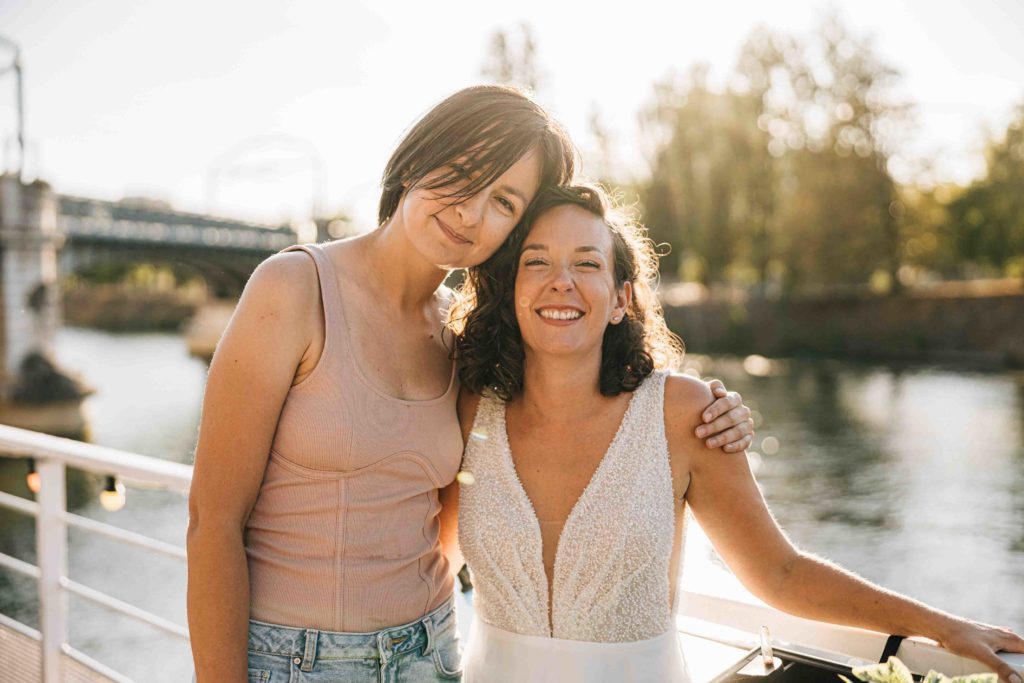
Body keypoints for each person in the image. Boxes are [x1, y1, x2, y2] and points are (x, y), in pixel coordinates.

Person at [186, 85, 755, 683]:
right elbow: (212, 520)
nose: (470, 213)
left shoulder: (462, 337)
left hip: (433, 655)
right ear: (413, 161)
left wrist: (717, 410)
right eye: (459, 174)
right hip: (295, 660)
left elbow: (487, 483)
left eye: (504, 202)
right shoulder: (294, 289)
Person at [448, 183, 1024, 683]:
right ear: (512, 289)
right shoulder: (469, 408)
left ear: (622, 298)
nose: (561, 283)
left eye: (588, 263)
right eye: (537, 261)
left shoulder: (681, 413)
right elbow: (428, 551)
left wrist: (942, 626)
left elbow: (780, 573)